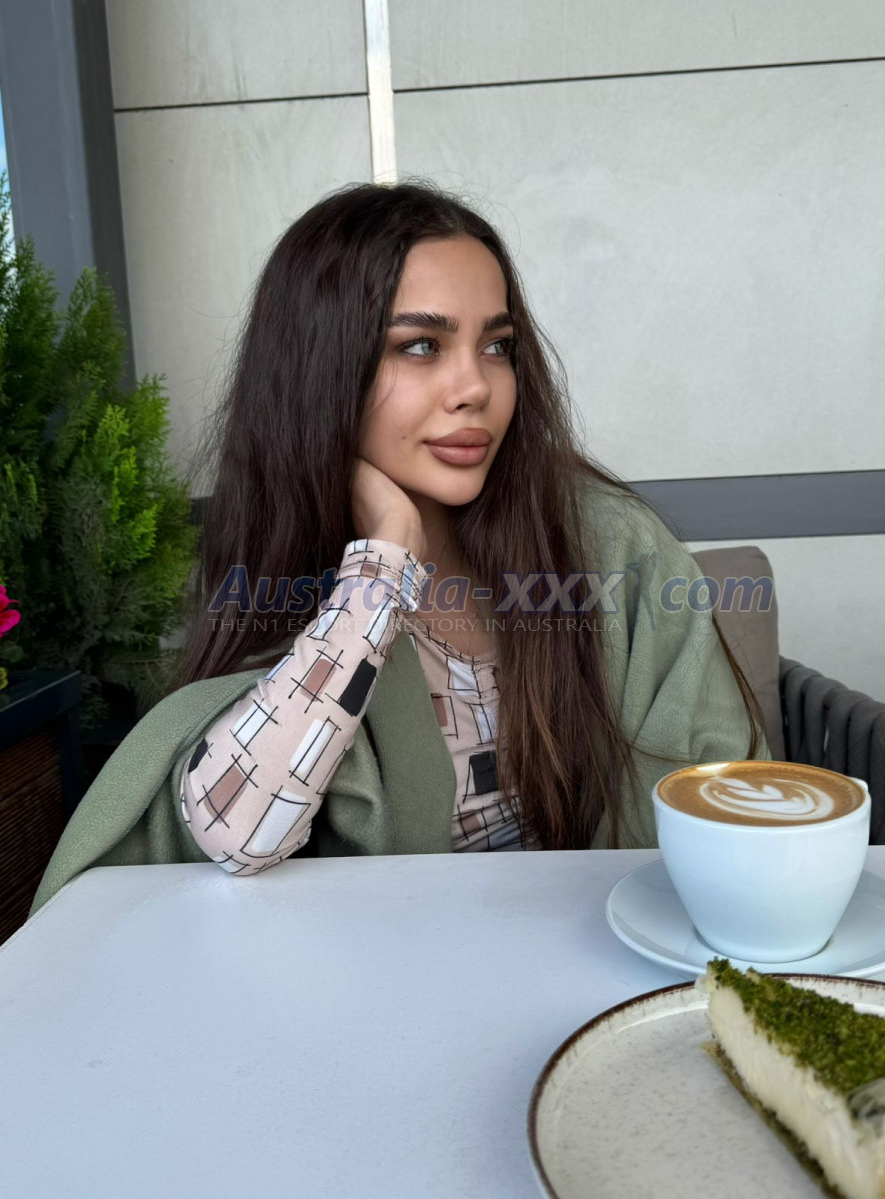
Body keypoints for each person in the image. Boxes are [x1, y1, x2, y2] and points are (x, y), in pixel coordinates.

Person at [29, 179, 768, 912]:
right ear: (322, 371)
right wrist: (380, 571)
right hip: (380, 972)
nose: (475, 387)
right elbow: (237, 834)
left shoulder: (606, 543)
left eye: (497, 346)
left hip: (602, 951)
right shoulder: (288, 585)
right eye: (420, 346)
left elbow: (726, 796)